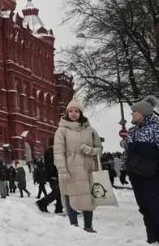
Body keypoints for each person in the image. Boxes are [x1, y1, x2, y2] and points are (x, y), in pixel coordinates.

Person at [124, 95, 159, 245]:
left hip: (152, 176)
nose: (132, 114)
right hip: (136, 175)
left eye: (134, 111)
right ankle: (153, 238)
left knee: (156, 206)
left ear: (143, 113)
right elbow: (126, 150)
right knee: (144, 208)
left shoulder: (157, 130)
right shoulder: (133, 131)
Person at [54, 99, 102, 233]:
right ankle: (74, 227)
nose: (73, 114)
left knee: (88, 197)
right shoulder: (61, 131)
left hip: (87, 168)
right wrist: (62, 169)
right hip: (71, 168)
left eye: (76, 111)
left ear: (80, 113)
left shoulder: (90, 130)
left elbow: (99, 148)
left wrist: (92, 151)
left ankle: (88, 226)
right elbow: (58, 152)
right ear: (67, 113)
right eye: (71, 111)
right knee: (70, 196)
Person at [37, 138, 64, 213]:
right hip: (53, 176)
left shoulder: (52, 151)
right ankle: (42, 203)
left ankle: (59, 208)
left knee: (60, 192)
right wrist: (53, 175)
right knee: (57, 192)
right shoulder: (50, 152)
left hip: (55, 175)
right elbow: (50, 165)